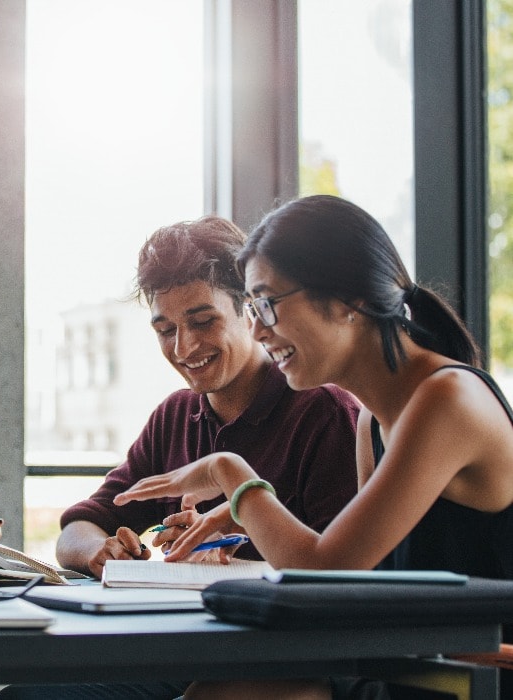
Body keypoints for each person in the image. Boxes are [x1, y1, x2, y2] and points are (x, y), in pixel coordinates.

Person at [115, 195, 513, 700]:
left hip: (473, 677)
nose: (258, 330)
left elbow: (324, 575)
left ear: (350, 300)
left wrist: (230, 474)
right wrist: (247, 517)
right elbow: (357, 588)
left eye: (267, 304)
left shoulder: (446, 401)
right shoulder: (375, 416)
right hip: (413, 669)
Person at [0, 215, 360, 700]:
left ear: (249, 311)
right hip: (184, 650)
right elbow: (76, 530)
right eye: (165, 329)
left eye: (203, 321)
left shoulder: (323, 412)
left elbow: (344, 581)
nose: (184, 347)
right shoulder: (176, 415)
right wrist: (102, 554)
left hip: (284, 659)